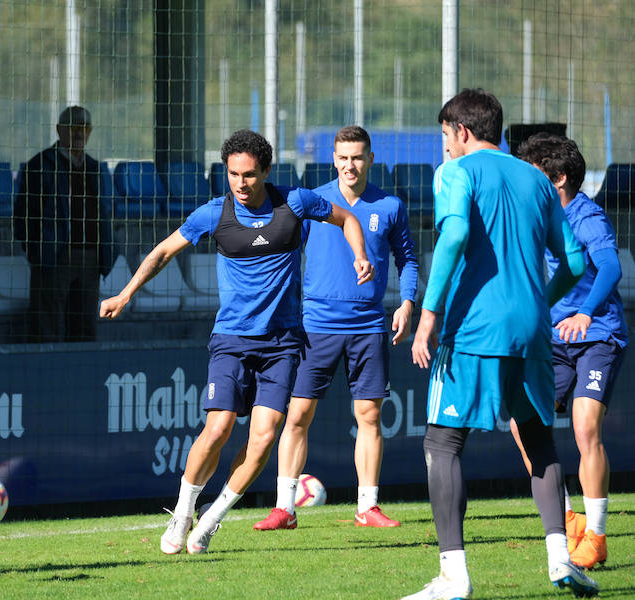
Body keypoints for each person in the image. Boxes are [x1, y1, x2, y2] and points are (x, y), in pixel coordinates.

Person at [100, 129, 373, 555]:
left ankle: (211, 520)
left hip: (283, 344)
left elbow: (348, 219)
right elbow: (163, 252)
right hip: (231, 339)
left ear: (265, 170)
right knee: (219, 427)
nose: (241, 183)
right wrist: (126, 292)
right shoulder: (215, 213)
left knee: (264, 436)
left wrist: (359, 253)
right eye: (233, 174)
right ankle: (185, 511)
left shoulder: (294, 203)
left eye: (249, 175)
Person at [404, 90, 599, 599]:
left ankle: (453, 576)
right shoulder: (535, 178)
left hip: (473, 327)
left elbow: (453, 236)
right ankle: (561, 559)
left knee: (443, 442)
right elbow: (576, 263)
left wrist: (428, 316)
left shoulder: (455, 172)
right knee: (538, 440)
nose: (444, 147)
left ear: (462, 132)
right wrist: (539, 299)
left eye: (446, 136)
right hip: (532, 328)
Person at [254, 125, 417, 531]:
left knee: (369, 415)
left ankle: (368, 506)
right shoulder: (315, 202)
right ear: (333, 159)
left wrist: (408, 303)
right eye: (343, 157)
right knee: (297, 415)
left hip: (369, 326)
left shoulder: (390, 206)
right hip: (316, 325)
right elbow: (287, 252)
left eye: (357, 157)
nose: (350, 165)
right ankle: (285, 508)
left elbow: (408, 260)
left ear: (370, 159)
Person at [508, 133, 627, 570]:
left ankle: (596, 537)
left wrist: (586, 314)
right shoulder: (540, 217)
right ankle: (567, 519)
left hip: (597, 337)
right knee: (522, 423)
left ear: (557, 178)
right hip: (553, 341)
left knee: (584, 430)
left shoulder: (586, 214)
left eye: (535, 176)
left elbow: (611, 266)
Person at [14, 105, 113, 342]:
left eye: (84, 128)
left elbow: (105, 212)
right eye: (73, 127)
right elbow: (22, 217)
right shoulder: (40, 165)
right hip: (54, 258)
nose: (79, 133)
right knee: (47, 328)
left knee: (85, 328)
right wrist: (40, 253)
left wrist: (104, 253)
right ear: (60, 130)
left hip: (90, 259)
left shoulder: (94, 168)